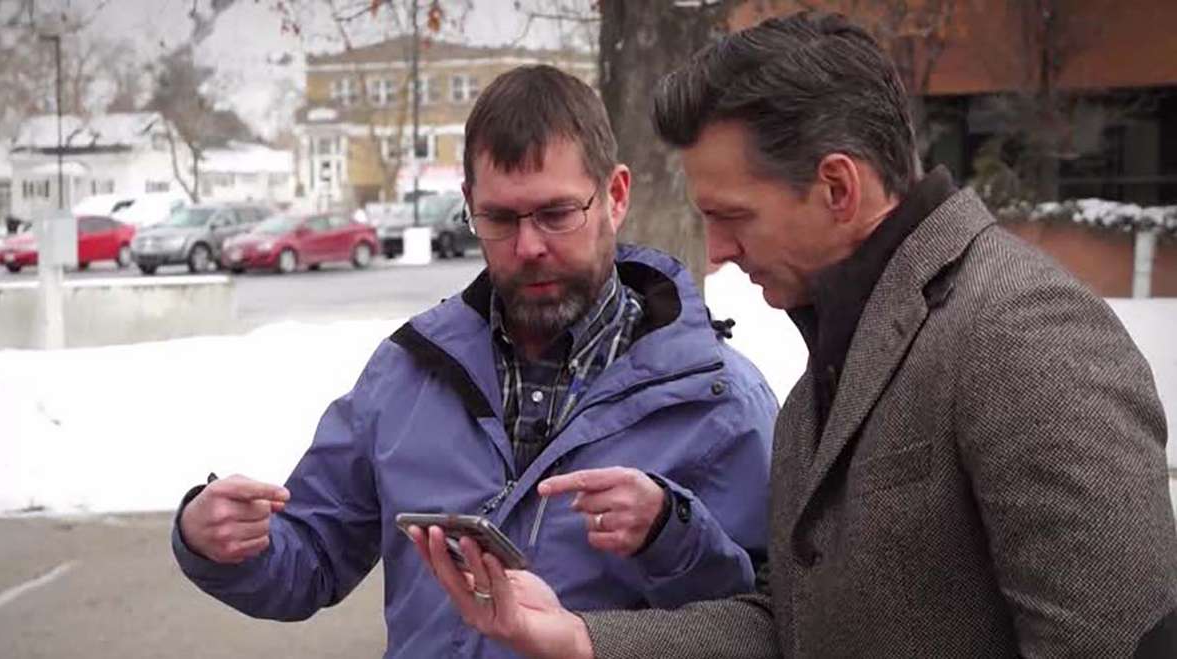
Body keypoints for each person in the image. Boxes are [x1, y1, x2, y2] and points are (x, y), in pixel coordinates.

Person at [413, 11, 1177, 658]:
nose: (716, 252)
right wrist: (584, 636)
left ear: (838, 188)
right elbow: (790, 624)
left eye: (733, 216)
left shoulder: (1021, 330)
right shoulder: (829, 367)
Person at [171, 65, 778, 658]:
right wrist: (221, 542)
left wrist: (670, 535)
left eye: (556, 213)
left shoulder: (720, 400)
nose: (529, 245)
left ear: (616, 197)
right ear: (469, 205)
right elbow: (310, 557)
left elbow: (762, 626)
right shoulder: (406, 373)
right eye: (500, 218)